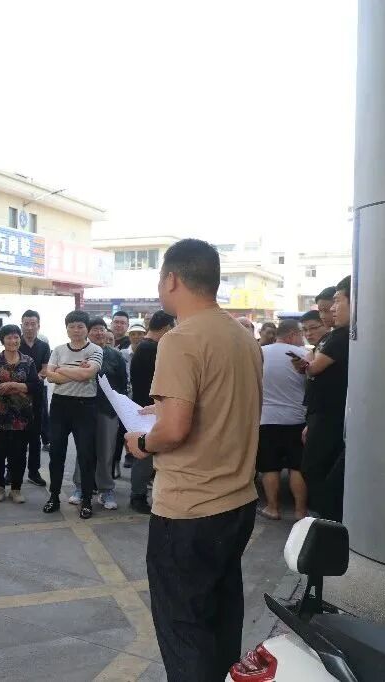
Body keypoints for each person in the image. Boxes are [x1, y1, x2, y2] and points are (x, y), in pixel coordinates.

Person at [123, 239, 262, 681]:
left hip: (189, 508)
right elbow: (222, 406)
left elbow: (175, 431)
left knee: (184, 629)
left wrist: (142, 443)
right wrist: (162, 411)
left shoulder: (180, 339)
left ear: (172, 279)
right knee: (222, 619)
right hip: (237, 503)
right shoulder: (242, 337)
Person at [294, 277, 350, 521]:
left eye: (334, 304)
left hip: (330, 415)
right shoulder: (334, 337)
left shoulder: (340, 338)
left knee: (314, 469)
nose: (330, 312)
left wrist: (308, 366)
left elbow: (314, 368)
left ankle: (330, 521)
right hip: (321, 413)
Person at [43, 311, 103, 519]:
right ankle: (54, 497)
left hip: (85, 407)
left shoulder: (95, 350)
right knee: (56, 455)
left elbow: (88, 374)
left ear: (87, 329)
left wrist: (62, 370)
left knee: (86, 455)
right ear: (66, 328)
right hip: (60, 406)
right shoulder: (58, 349)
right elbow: (50, 377)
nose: (76, 330)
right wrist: (76, 372)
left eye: (80, 326)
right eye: (72, 326)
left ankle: (86, 501)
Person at [73, 318, 127, 511]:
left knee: (106, 452)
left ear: (106, 331)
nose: (98, 332)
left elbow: (122, 384)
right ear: (88, 332)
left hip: (108, 410)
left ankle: (106, 490)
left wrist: (119, 408)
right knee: (83, 450)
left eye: (101, 329)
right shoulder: (80, 353)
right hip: (83, 409)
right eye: (94, 329)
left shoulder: (115, 356)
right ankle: (80, 487)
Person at [257, 319, 308, 521]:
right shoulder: (303, 355)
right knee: (297, 466)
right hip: (297, 419)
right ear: (292, 334)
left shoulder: (260, 353)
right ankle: (300, 511)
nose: (303, 338)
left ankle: (273, 508)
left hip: (267, 419)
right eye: (301, 334)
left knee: (270, 466)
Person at [128, 310, 176, 514]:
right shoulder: (152, 349)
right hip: (148, 408)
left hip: (145, 406)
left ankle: (140, 494)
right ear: (166, 328)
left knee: (146, 453)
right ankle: (138, 496)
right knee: (145, 455)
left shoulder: (145, 347)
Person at [0, 325, 39, 503]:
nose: (13, 341)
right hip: (0, 415)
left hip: (22, 416)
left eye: (16, 337)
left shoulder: (28, 361)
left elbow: (35, 386)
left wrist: (12, 385)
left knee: (19, 454)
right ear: (2, 340)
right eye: (9, 337)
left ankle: (16, 489)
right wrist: (21, 388)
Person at [18, 310, 50, 487]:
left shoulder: (44, 346)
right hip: (17, 396)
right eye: (26, 324)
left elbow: (45, 370)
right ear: (21, 325)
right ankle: (12, 470)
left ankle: (33, 471)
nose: (29, 327)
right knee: (15, 435)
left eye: (33, 324)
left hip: (37, 395)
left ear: (38, 325)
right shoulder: (16, 343)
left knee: (35, 436)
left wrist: (30, 382)